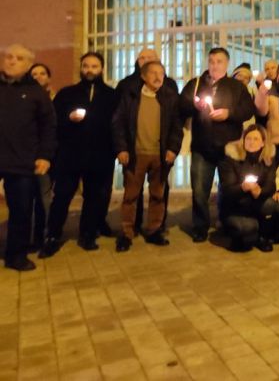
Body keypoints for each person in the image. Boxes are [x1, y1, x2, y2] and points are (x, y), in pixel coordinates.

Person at [42, 52, 116, 255]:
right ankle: (53, 235)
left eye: (94, 66)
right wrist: (69, 119)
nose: (89, 70)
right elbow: (54, 123)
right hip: (70, 155)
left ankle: (87, 234)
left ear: (102, 68)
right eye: (86, 66)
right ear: (81, 68)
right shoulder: (67, 93)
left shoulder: (111, 95)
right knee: (62, 197)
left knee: (93, 197)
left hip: (99, 155)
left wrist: (114, 152)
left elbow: (116, 125)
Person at [179, 47, 256, 243]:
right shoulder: (196, 84)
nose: (214, 65)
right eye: (212, 61)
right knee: (199, 189)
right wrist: (194, 105)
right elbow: (182, 104)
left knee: (229, 189)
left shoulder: (236, 86)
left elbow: (247, 110)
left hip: (228, 147)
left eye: (219, 61)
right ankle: (200, 226)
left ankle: (226, 223)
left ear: (227, 64)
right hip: (202, 146)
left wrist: (228, 113)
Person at [112, 61, 183, 251]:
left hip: (160, 156)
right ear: (143, 76)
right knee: (130, 196)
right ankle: (126, 233)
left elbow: (177, 127)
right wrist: (121, 149)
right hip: (135, 155)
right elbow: (117, 124)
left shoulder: (170, 98)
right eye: (153, 73)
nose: (158, 77)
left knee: (158, 195)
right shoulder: (131, 97)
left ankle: (153, 230)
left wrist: (173, 149)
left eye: (161, 72)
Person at [0, 44, 56, 271]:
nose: (12, 61)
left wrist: (45, 156)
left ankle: (16, 255)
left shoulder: (36, 93)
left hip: (22, 162)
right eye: (9, 57)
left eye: (19, 58)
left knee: (21, 212)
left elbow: (49, 128)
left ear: (28, 64)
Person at [218, 125, 279, 252]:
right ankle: (236, 231)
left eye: (256, 139)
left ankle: (262, 236)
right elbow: (227, 190)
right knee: (246, 230)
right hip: (234, 207)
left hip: (255, 204)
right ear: (243, 140)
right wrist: (242, 188)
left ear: (263, 143)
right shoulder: (231, 158)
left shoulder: (268, 159)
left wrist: (260, 192)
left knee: (270, 204)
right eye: (248, 138)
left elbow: (271, 184)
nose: (251, 142)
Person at [28, 62, 55, 250]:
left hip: (48, 155)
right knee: (26, 197)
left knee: (44, 196)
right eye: (34, 73)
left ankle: (44, 235)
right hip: (25, 155)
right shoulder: (23, 98)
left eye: (42, 73)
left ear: (48, 77)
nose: (38, 76)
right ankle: (30, 236)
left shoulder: (56, 98)